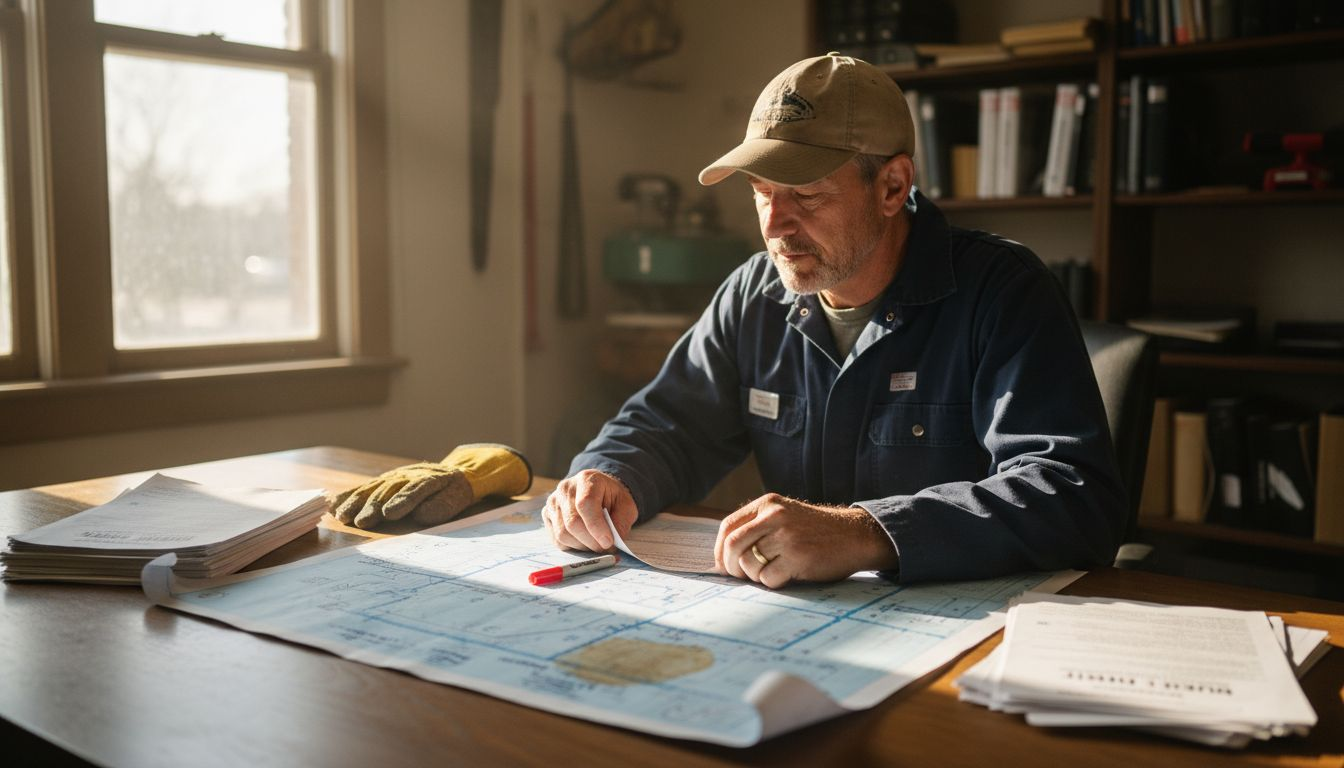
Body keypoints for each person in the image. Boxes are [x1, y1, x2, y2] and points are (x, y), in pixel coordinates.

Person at [543, 53, 1125, 588]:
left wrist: (867, 533)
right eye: (762, 192)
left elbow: (1072, 497)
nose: (775, 225)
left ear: (892, 186)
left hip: (963, 635)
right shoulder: (752, 292)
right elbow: (669, 422)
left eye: (807, 195)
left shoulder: (1004, 290)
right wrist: (606, 475)